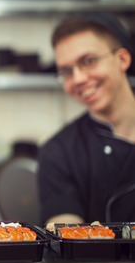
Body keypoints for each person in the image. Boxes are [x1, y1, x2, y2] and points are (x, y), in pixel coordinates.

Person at [37, 12, 135, 224]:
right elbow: (65, 234)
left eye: (89, 61)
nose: (78, 79)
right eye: (66, 71)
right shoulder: (58, 152)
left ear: (123, 59)